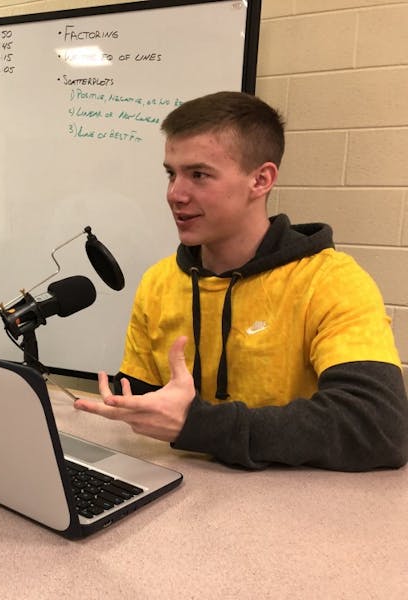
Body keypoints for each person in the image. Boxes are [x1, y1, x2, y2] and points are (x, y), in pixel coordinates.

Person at [74, 91, 408, 471]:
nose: (174, 194)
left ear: (261, 180)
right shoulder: (159, 281)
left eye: (198, 175)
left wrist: (199, 425)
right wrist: (132, 405)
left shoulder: (331, 280)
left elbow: (380, 428)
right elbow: (152, 406)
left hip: (294, 510)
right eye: (171, 173)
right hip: (182, 498)